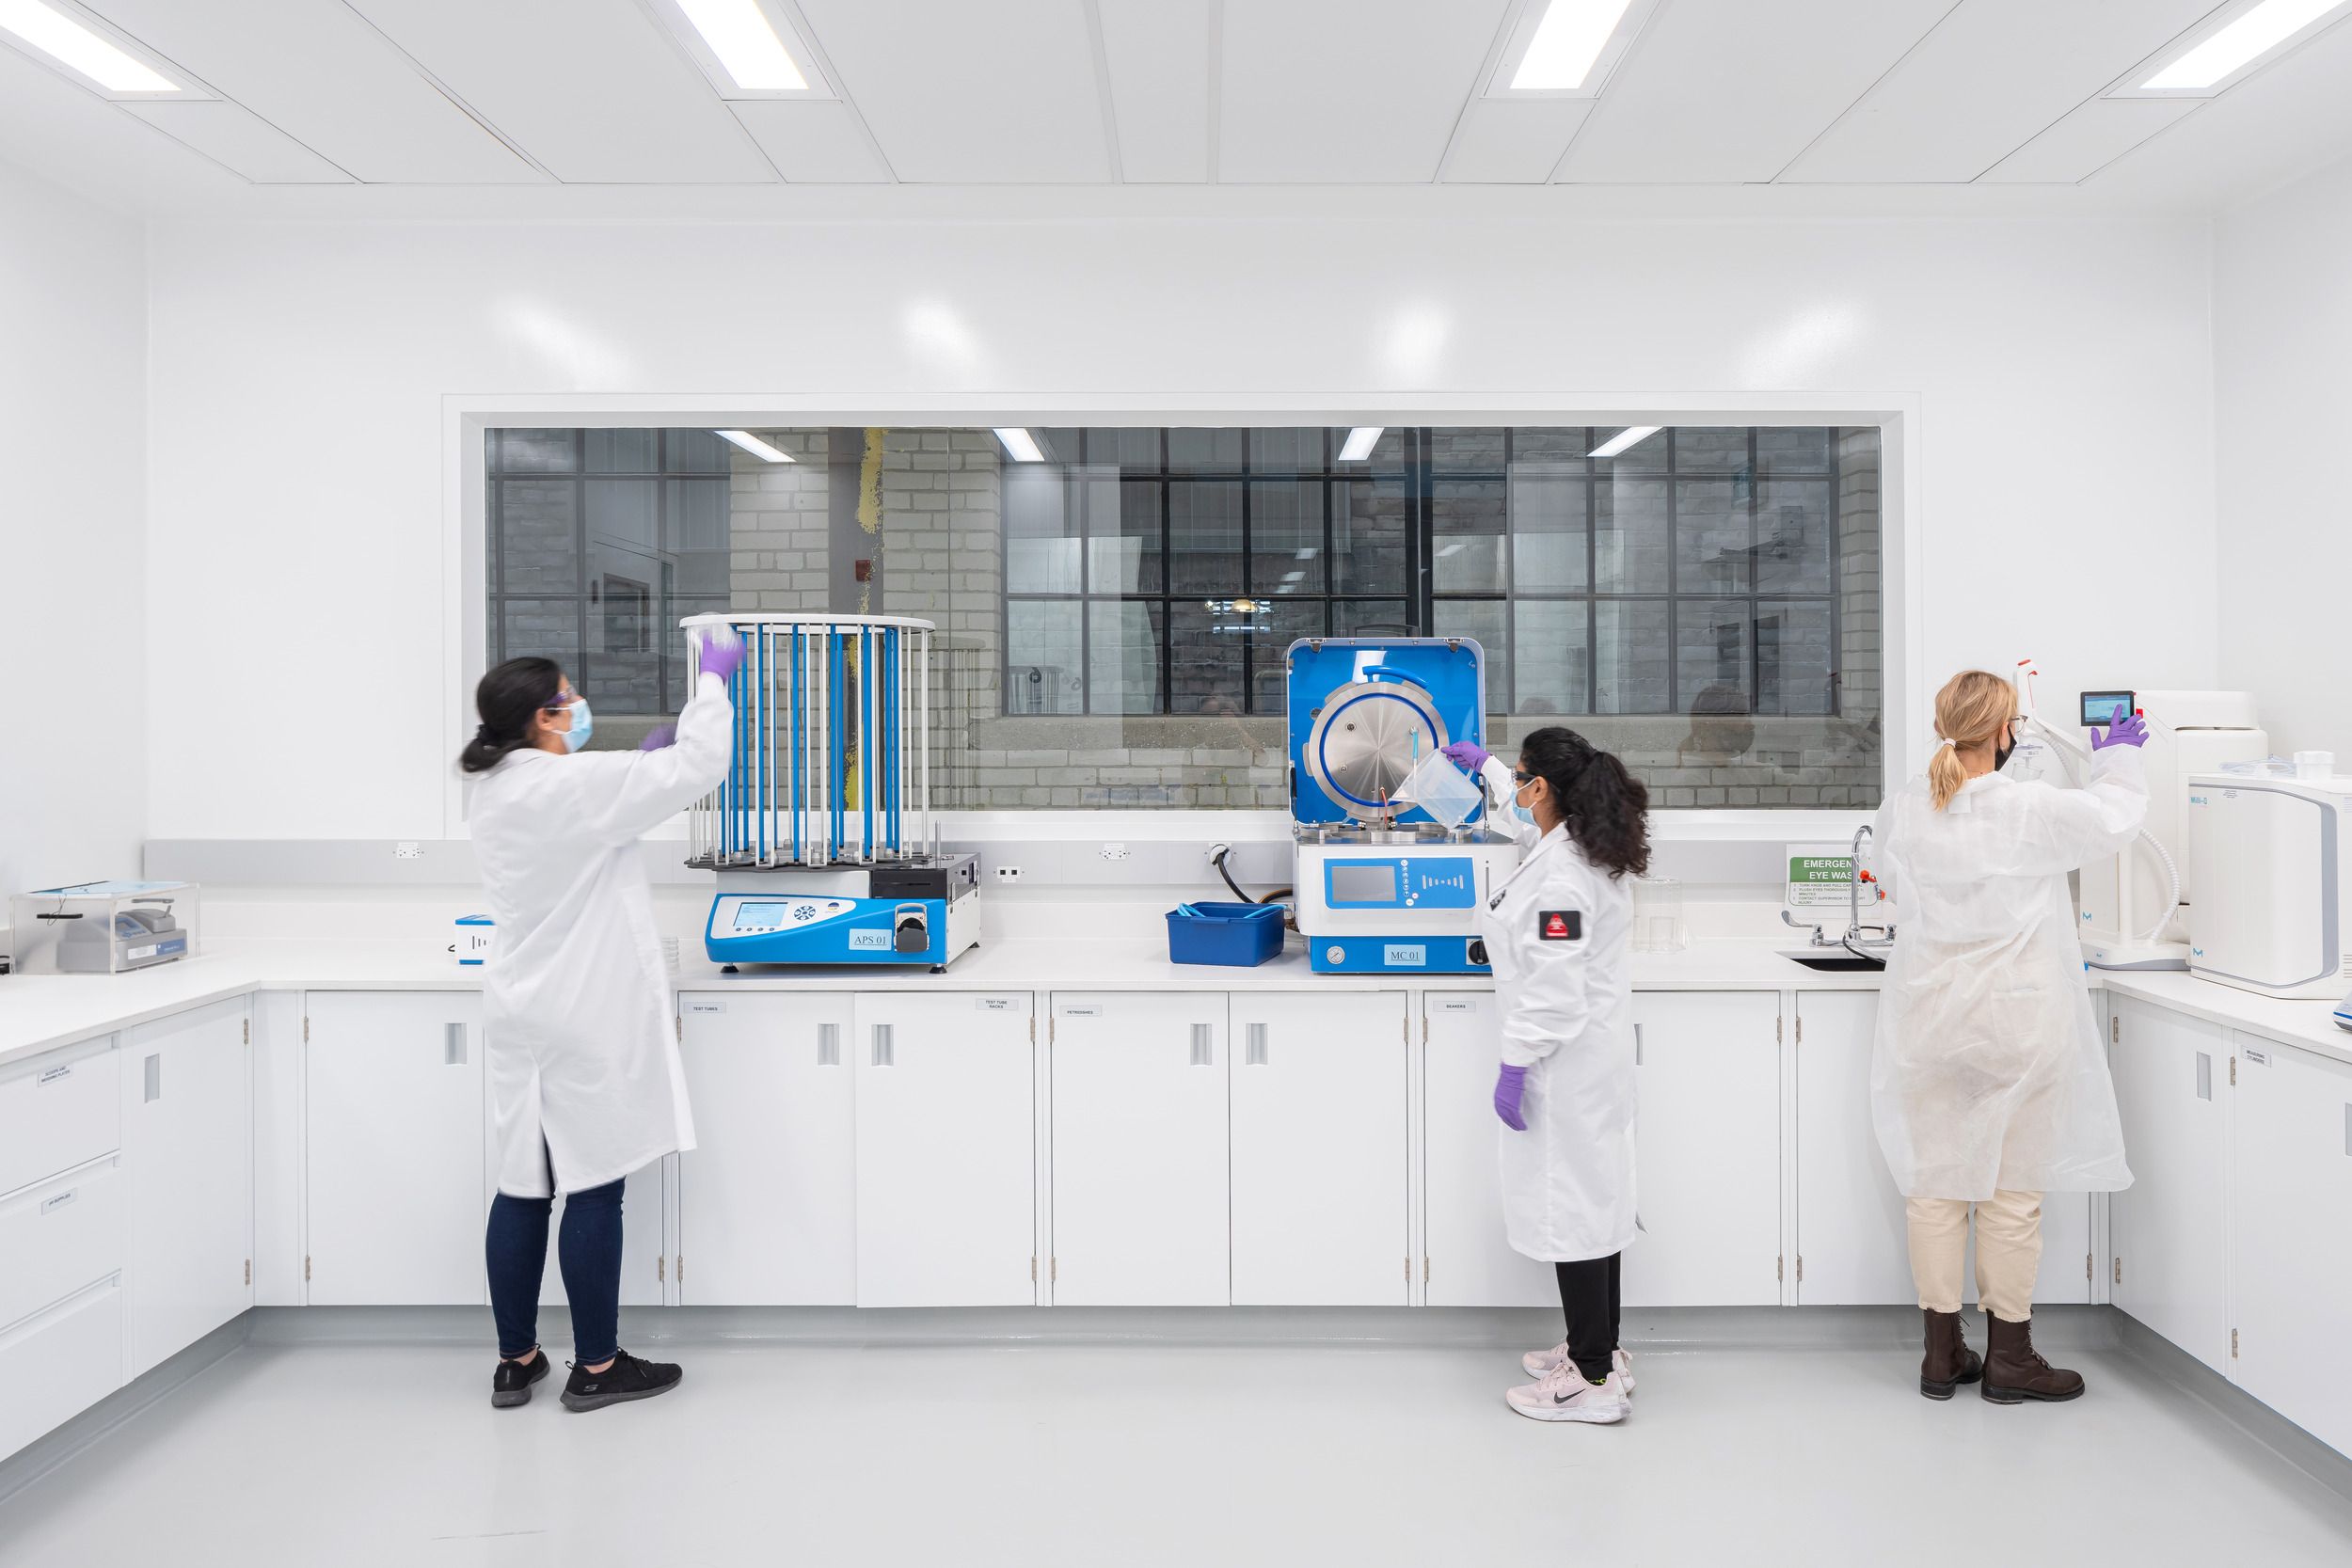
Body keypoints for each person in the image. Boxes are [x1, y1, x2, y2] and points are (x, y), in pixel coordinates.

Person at [457, 627, 740, 1411]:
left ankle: (516, 1360)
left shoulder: (494, 788)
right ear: (545, 718)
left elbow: (601, 811)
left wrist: (640, 769)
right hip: (584, 1011)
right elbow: (701, 765)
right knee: (592, 1186)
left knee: (522, 1185)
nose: (581, 705)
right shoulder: (572, 786)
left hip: (520, 1011)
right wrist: (710, 684)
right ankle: (599, 1367)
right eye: (570, 696)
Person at [1871, 670, 2147, 1404]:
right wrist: (2117, 753)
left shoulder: (1909, 806)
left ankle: (1941, 1356)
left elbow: (1892, 886)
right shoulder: (2029, 809)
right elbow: (2116, 818)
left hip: (1930, 1020)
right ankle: (2011, 1360)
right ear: (2006, 731)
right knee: (2011, 1194)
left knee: (1934, 1189)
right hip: (2016, 1022)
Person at [1442, 727, 1650, 1425]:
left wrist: (1513, 1062)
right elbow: (1526, 826)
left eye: (1525, 777)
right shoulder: (1578, 842)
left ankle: (1589, 1380)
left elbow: (1555, 993)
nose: (1519, 789)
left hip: (1565, 1063)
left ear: (1547, 789)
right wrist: (1494, 772)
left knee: (1573, 1213)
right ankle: (1601, 1349)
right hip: (1591, 1057)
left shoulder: (1563, 877)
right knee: (1596, 1204)